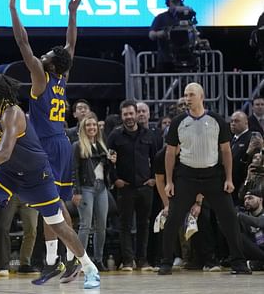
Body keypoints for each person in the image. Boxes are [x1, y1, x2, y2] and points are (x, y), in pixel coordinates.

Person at [0, 73, 100, 289]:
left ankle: (90, 268)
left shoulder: (12, 114)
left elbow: (4, 152)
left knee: (59, 226)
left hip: (35, 176)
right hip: (7, 174)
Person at [10, 0, 83, 284]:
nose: (40, 54)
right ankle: (55, 261)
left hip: (49, 146)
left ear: (50, 62)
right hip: (61, 142)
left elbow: (22, 42)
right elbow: (71, 44)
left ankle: (75, 258)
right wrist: (72, 13)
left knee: (49, 206)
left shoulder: (40, 75)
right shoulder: (62, 75)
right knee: (50, 207)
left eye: (46, 54)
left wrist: (13, 10)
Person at [159, 82, 252, 275]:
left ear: (201, 96)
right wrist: (169, 181)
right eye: (185, 94)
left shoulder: (217, 120)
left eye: (191, 94)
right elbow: (170, 153)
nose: (187, 98)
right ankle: (166, 262)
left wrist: (228, 179)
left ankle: (239, 262)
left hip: (214, 176)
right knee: (173, 218)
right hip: (186, 175)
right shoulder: (178, 122)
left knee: (229, 219)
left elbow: (226, 151)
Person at [107, 100, 157, 271]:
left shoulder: (149, 135)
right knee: (125, 225)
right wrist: (115, 180)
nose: (129, 117)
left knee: (144, 225)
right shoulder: (115, 135)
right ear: (121, 116)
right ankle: (128, 261)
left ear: (137, 114)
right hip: (125, 188)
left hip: (145, 187)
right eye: (125, 114)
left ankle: (143, 261)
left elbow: (156, 159)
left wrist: (153, 179)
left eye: (131, 113)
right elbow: (109, 160)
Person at [72, 112, 116, 272]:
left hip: (101, 187)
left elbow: (106, 170)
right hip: (85, 188)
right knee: (85, 225)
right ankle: (80, 261)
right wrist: (76, 191)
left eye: (94, 125)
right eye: (88, 125)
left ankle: (98, 259)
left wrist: (112, 162)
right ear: (83, 128)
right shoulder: (77, 146)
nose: (91, 128)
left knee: (101, 226)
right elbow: (74, 170)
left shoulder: (102, 145)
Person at [149, 0, 187, 73]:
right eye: (173, 2)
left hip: (183, 58)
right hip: (165, 59)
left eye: (178, 2)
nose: (176, 4)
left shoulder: (186, 17)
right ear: (168, 3)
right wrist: (161, 33)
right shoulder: (161, 17)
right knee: (163, 84)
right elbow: (151, 35)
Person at [237, 189, 264, 270]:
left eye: (250, 198)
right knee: (238, 236)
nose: (247, 201)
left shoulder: (242, 216)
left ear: (260, 199)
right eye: (245, 199)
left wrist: (237, 214)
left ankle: (259, 264)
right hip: (253, 250)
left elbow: (259, 223)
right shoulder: (244, 216)